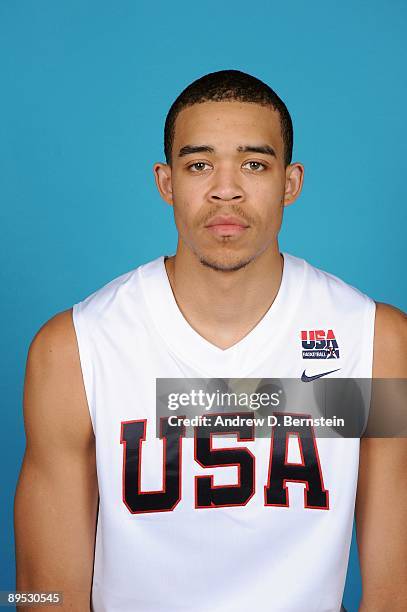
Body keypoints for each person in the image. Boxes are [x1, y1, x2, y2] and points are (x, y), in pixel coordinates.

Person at [14, 70, 407, 612]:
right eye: (200, 165)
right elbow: (42, 592)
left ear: (290, 183)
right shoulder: (74, 350)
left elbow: (396, 591)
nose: (226, 189)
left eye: (254, 164)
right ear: (166, 182)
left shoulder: (376, 343)